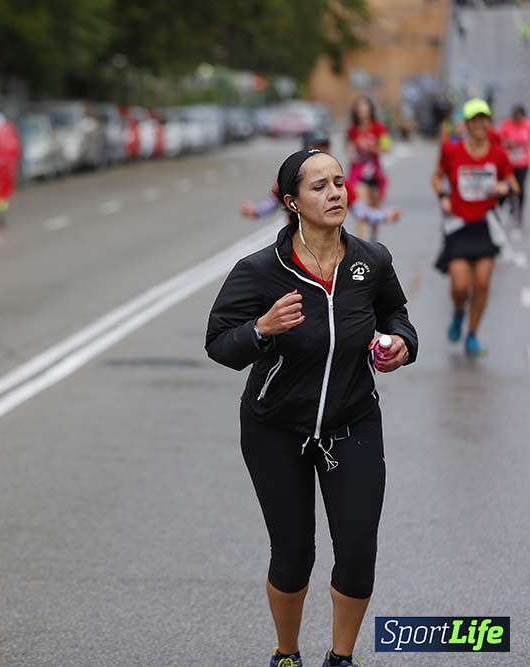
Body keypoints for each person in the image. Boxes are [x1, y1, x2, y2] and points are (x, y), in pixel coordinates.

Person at [207, 148, 418, 667]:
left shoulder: (373, 261)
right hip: (276, 429)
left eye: (340, 183)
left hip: (353, 421)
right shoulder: (260, 272)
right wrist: (261, 330)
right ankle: (287, 653)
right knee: (294, 554)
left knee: (357, 552)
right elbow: (219, 343)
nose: (336, 193)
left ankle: (341, 658)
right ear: (291, 201)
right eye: (319, 186)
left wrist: (402, 344)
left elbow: (397, 314)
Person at [432, 98, 514, 358]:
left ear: (489, 122)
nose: (479, 124)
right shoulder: (452, 151)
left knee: (482, 283)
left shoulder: (498, 153)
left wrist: (505, 187)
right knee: (459, 286)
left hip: (485, 227)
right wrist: (443, 195)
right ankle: (458, 314)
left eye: (483, 119)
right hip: (458, 226)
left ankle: (472, 335)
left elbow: (514, 184)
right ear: (466, 124)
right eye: (474, 119)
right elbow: (437, 176)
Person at [241, 130, 401, 230]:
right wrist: (255, 212)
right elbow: (272, 202)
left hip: (328, 246)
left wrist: (385, 216)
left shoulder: (339, 182)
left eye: (325, 147)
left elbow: (360, 211)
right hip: (296, 243)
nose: (322, 152)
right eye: (317, 147)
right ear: (304, 148)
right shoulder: (290, 178)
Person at [345, 97, 392, 241]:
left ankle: (372, 241)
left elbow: (387, 148)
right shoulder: (352, 131)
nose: (363, 114)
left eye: (365, 110)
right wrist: (354, 151)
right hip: (358, 174)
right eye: (360, 111)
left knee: (374, 208)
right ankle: (361, 242)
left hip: (375, 174)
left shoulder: (379, 128)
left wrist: (373, 148)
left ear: (370, 111)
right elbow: (348, 150)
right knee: (361, 208)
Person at [498, 104, 529, 227]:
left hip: (522, 162)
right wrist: (508, 143)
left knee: (520, 188)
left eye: (520, 116)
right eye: (515, 116)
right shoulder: (506, 124)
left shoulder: (527, 125)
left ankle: (519, 212)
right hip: (508, 162)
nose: (517, 118)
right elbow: (499, 139)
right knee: (507, 187)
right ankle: (503, 208)